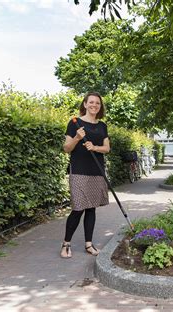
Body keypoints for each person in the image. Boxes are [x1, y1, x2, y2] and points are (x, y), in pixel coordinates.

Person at [60, 92, 110, 258]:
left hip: (96, 171)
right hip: (79, 171)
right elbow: (67, 148)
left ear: (100, 106)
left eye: (97, 103)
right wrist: (77, 138)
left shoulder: (102, 126)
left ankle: (89, 244)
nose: (94, 105)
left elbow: (107, 148)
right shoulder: (75, 123)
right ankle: (66, 244)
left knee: (91, 208)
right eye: (91, 102)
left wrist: (94, 147)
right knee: (78, 208)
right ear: (85, 104)